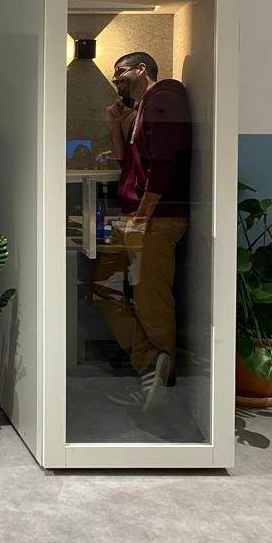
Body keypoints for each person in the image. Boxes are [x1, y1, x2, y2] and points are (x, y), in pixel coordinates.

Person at [93, 51, 191, 411]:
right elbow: (128, 166)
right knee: (104, 286)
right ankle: (149, 361)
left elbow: (164, 164)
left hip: (154, 219)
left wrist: (143, 216)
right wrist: (114, 124)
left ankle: (164, 383)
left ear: (141, 69)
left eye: (119, 72)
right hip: (138, 216)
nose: (115, 80)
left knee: (152, 300)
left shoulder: (165, 98)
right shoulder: (144, 109)